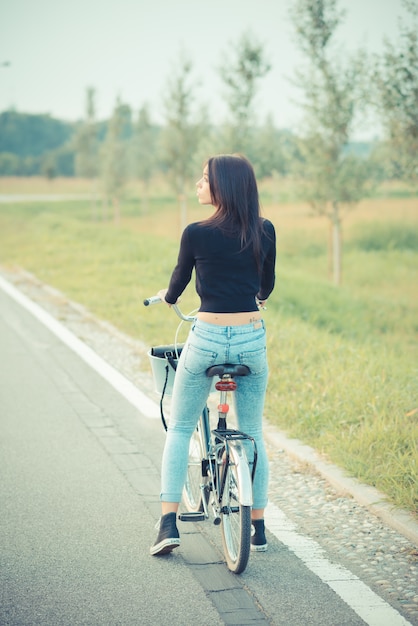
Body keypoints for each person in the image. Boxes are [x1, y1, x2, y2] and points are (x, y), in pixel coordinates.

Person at [150, 154, 276, 556]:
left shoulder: (195, 233)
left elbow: (179, 282)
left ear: (222, 186)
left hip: (205, 339)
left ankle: (168, 523)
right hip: (250, 339)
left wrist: (167, 298)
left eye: (204, 179)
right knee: (253, 431)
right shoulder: (265, 229)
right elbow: (265, 288)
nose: (199, 184)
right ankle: (257, 527)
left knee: (181, 425)